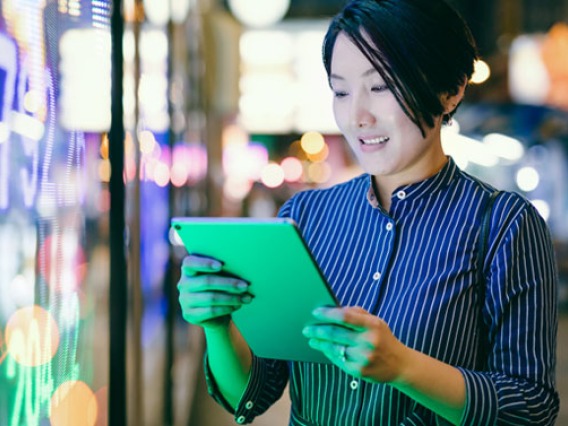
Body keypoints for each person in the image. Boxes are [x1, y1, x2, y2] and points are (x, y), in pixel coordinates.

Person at [177, 0, 560, 424]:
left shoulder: (505, 226)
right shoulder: (305, 217)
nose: (356, 116)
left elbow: (532, 408)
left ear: (449, 90)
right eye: (341, 91)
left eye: (380, 86)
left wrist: (404, 368)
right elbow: (254, 393)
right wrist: (217, 324)